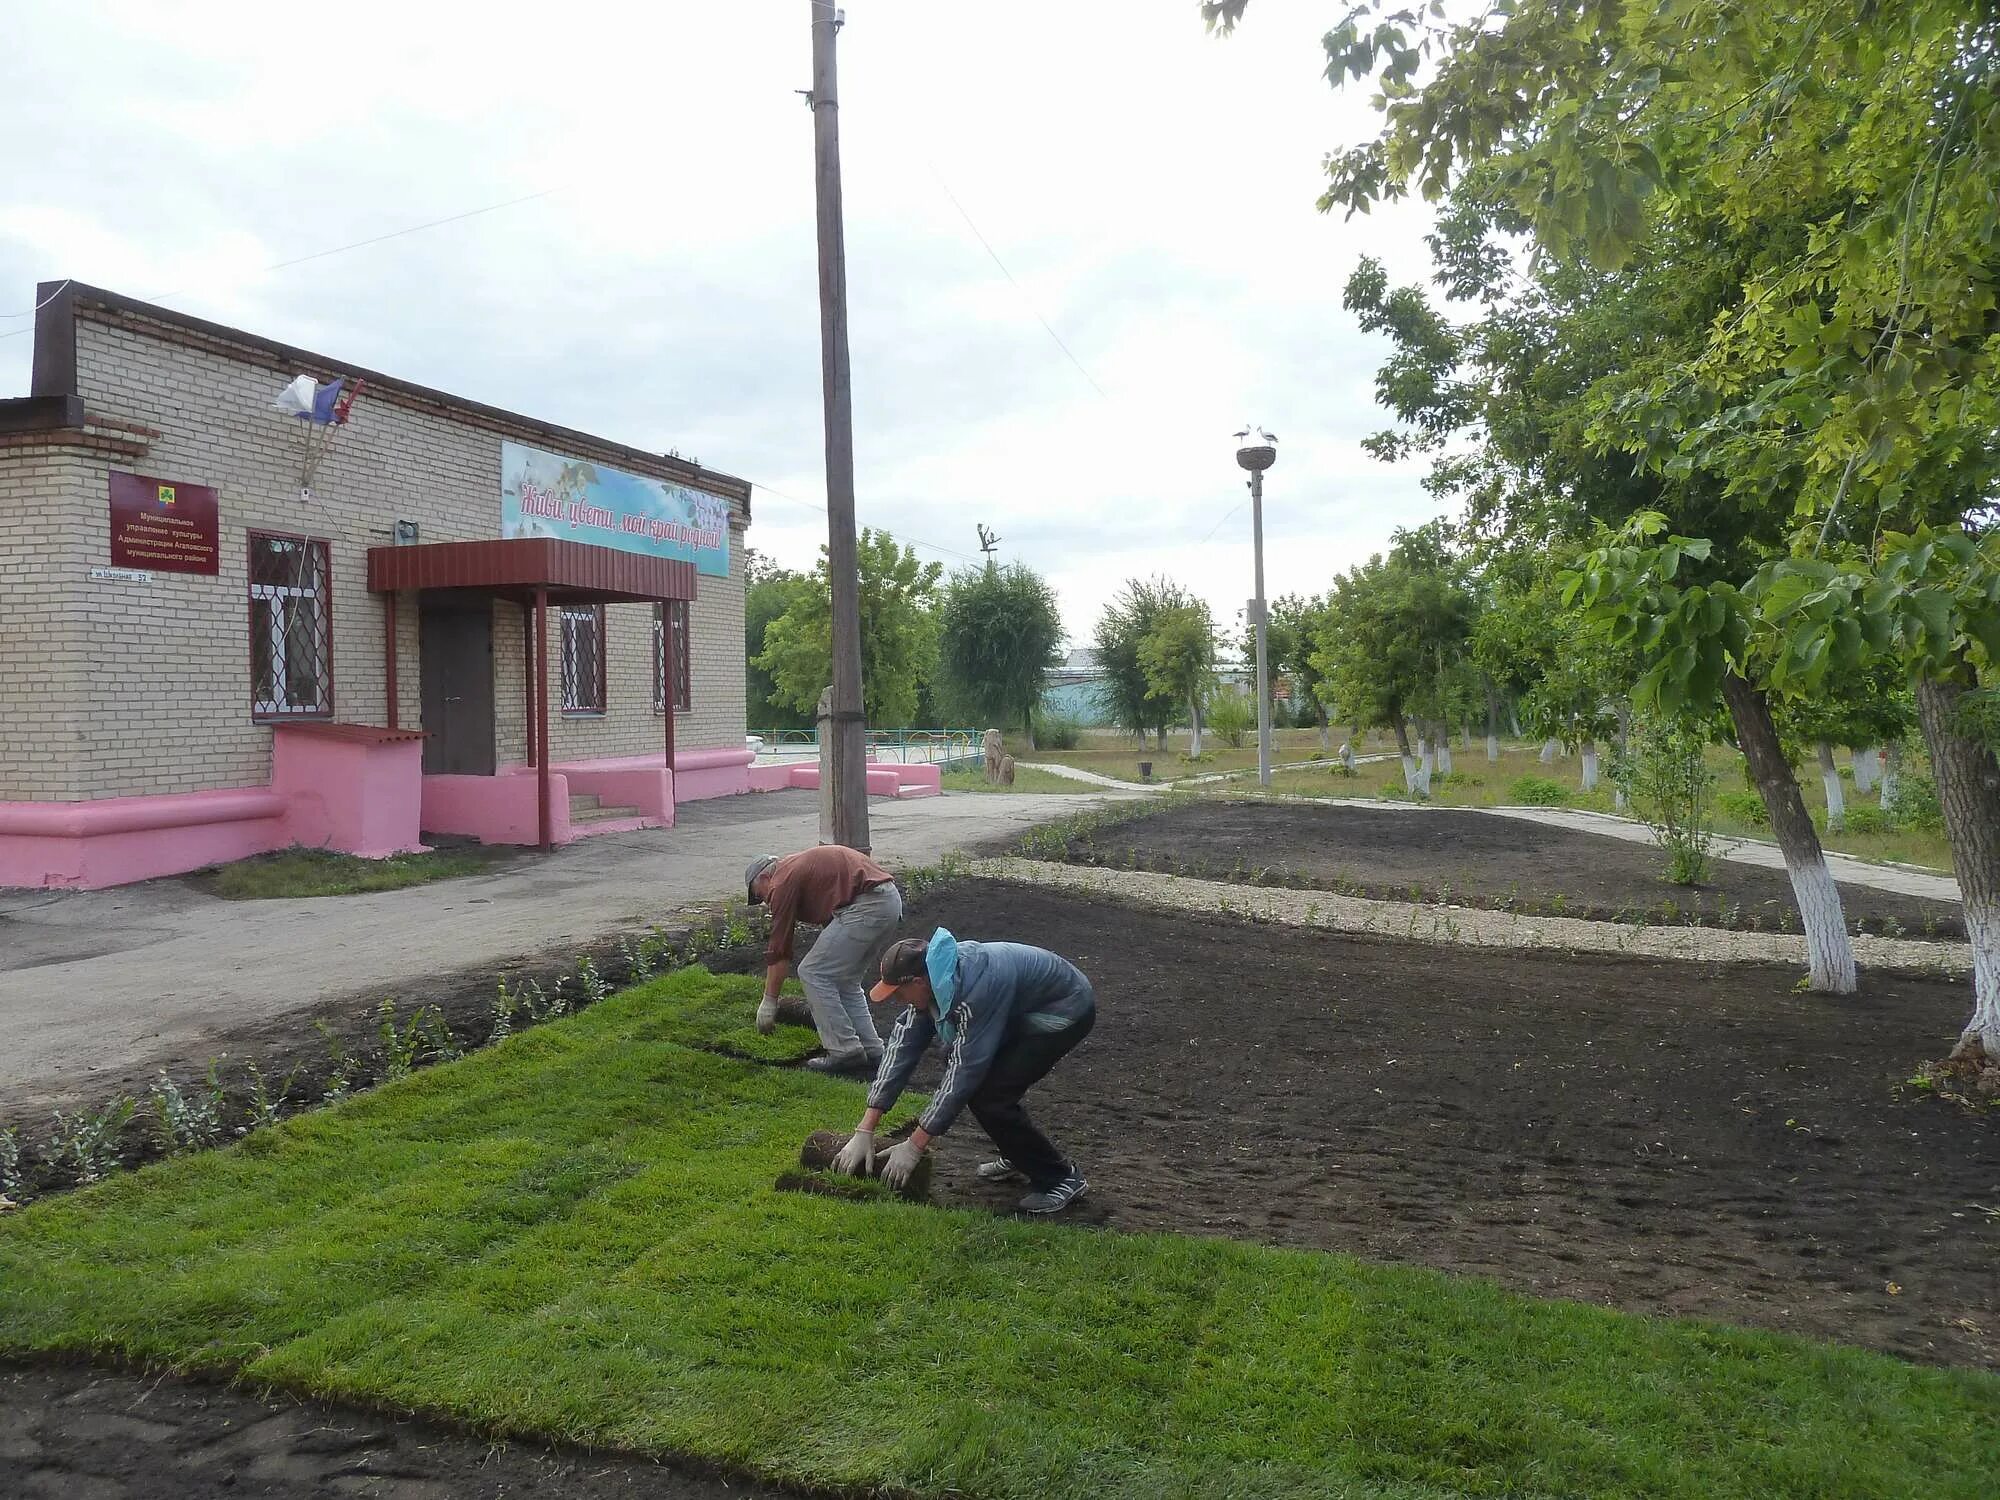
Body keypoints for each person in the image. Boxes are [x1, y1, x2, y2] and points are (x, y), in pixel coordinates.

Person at [831, 928, 1096, 1215]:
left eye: (898, 993)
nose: (897, 1000)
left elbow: (964, 1072)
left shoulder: (973, 990)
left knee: (990, 1096)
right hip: (1019, 1007)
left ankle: (1060, 1178)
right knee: (978, 1083)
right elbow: (902, 1048)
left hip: (1063, 1010)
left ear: (918, 982)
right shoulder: (934, 979)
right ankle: (1019, 1154)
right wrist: (865, 1128)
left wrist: (914, 1147)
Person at [744, 846, 902, 1077]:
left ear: (766, 876)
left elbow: (779, 949)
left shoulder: (781, 882)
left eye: (759, 895)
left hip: (867, 906)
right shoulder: (795, 867)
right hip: (887, 901)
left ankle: (845, 1051)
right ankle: (873, 1050)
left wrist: (769, 1002)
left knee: (812, 972)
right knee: (846, 981)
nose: (765, 902)